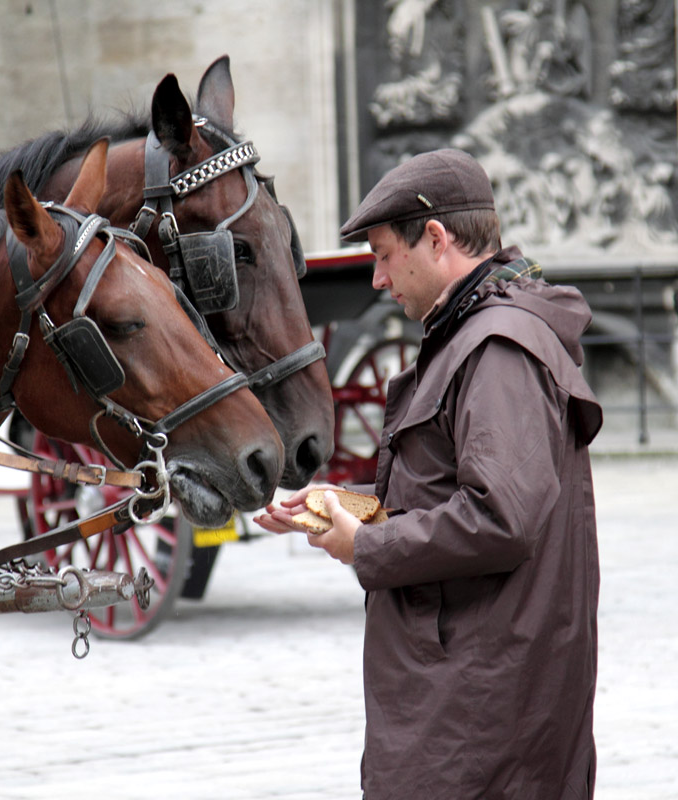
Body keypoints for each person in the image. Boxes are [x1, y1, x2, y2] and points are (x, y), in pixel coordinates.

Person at [254, 149, 603, 798]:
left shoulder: (497, 347)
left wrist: (367, 546)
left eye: (385, 254)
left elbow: (503, 517)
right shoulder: (475, 333)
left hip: (480, 708)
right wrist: (342, 503)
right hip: (465, 689)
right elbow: (442, 489)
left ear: (436, 239)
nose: (379, 280)